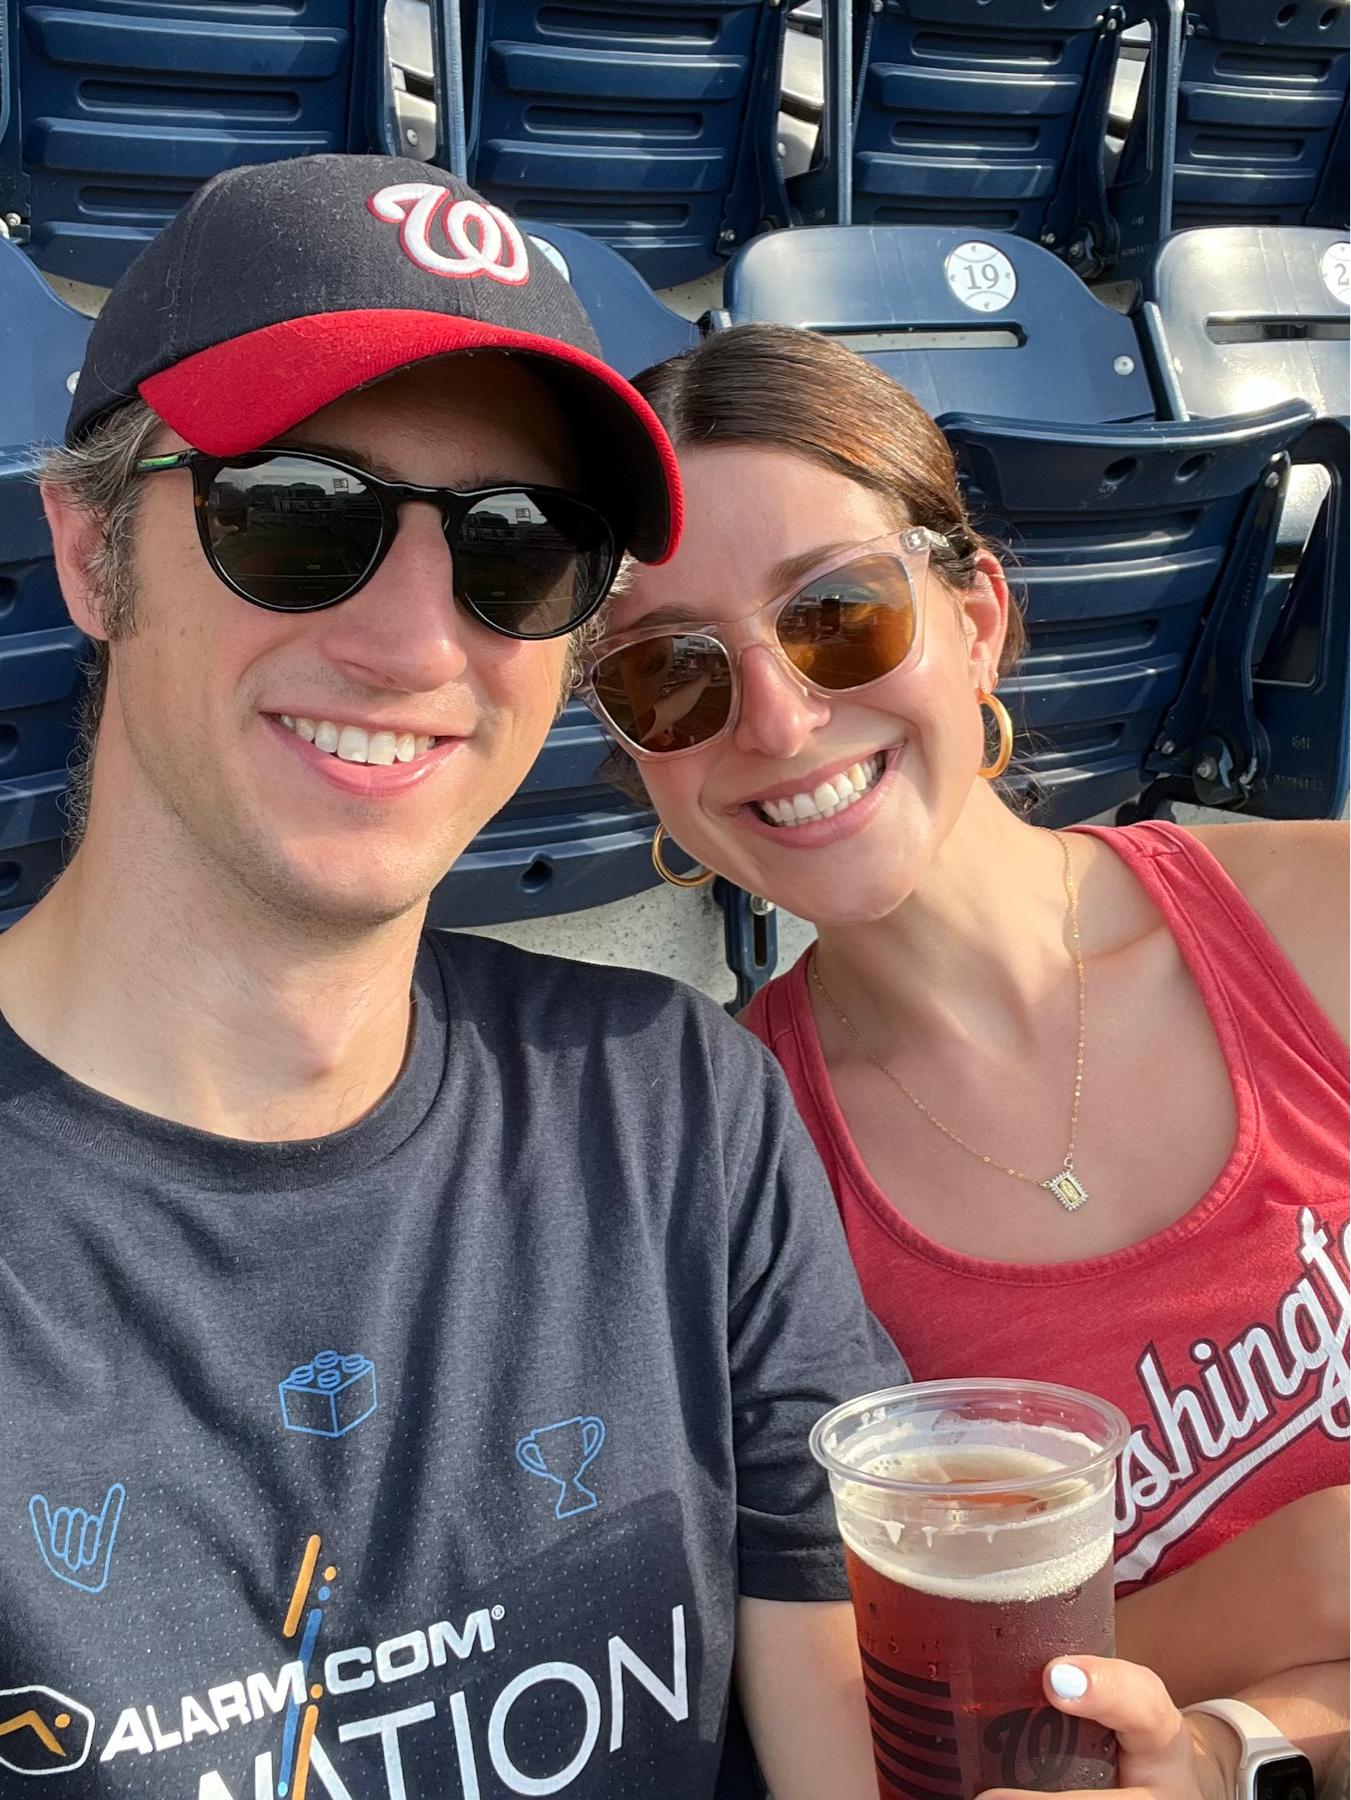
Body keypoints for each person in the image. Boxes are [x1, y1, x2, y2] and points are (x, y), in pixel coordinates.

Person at [0, 159, 911, 1800]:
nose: (420, 644)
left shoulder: (680, 1112)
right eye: (294, 512)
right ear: (85, 551)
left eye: (519, 549)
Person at [581, 324, 1349, 1785]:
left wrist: (1247, 1707)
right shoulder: (742, 1178)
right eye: (672, 677)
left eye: (840, 615)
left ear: (978, 616)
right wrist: (1300, 1590)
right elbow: (897, 1722)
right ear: (644, 772)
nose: (781, 717)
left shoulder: (1321, 924)